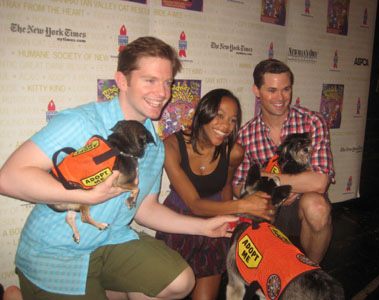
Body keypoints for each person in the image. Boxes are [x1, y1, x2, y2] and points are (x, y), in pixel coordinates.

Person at [0, 36, 239, 300]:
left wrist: (203, 227)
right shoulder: (82, 122)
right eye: (150, 80)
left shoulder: (154, 146)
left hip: (109, 242)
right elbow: (9, 178)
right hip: (55, 253)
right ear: (122, 81)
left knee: (181, 281)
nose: (162, 93)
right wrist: (86, 197)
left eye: (167, 82)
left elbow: (145, 209)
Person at [155, 89, 274, 300]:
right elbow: (194, 204)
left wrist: (228, 223)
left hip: (215, 227)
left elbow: (226, 187)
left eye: (232, 120)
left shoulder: (234, 152)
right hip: (178, 223)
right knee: (170, 290)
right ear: (204, 112)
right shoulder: (171, 146)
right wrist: (243, 206)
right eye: (219, 116)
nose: (226, 126)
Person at [232, 59, 335, 264]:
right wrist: (275, 192)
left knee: (318, 207)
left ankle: (310, 272)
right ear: (257, 90)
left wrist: (267, 176)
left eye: (286, 89)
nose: (280, 98)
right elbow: (238, 187)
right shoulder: (245, 134)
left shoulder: (313, 121)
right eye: (272, 90)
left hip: (302, 204)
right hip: (268, 205)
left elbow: (320, 182)